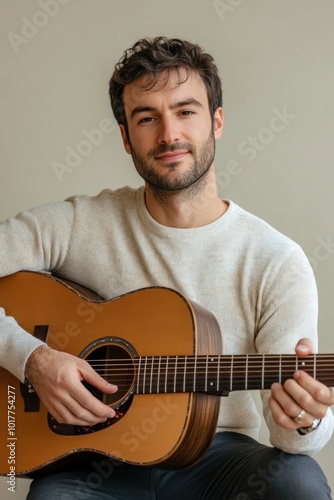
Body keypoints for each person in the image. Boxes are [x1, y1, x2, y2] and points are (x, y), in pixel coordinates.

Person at [0, 36, 333, 499]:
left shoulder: (276, 260)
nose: (168, 134)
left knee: (299, 484)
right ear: (125, 137)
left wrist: (304, 418)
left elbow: (292, 439)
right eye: (147, 117)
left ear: (216, 122)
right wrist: (31, 358)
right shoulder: (80, 223)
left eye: (186, 111)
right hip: (94, 463)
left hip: (220, 461)